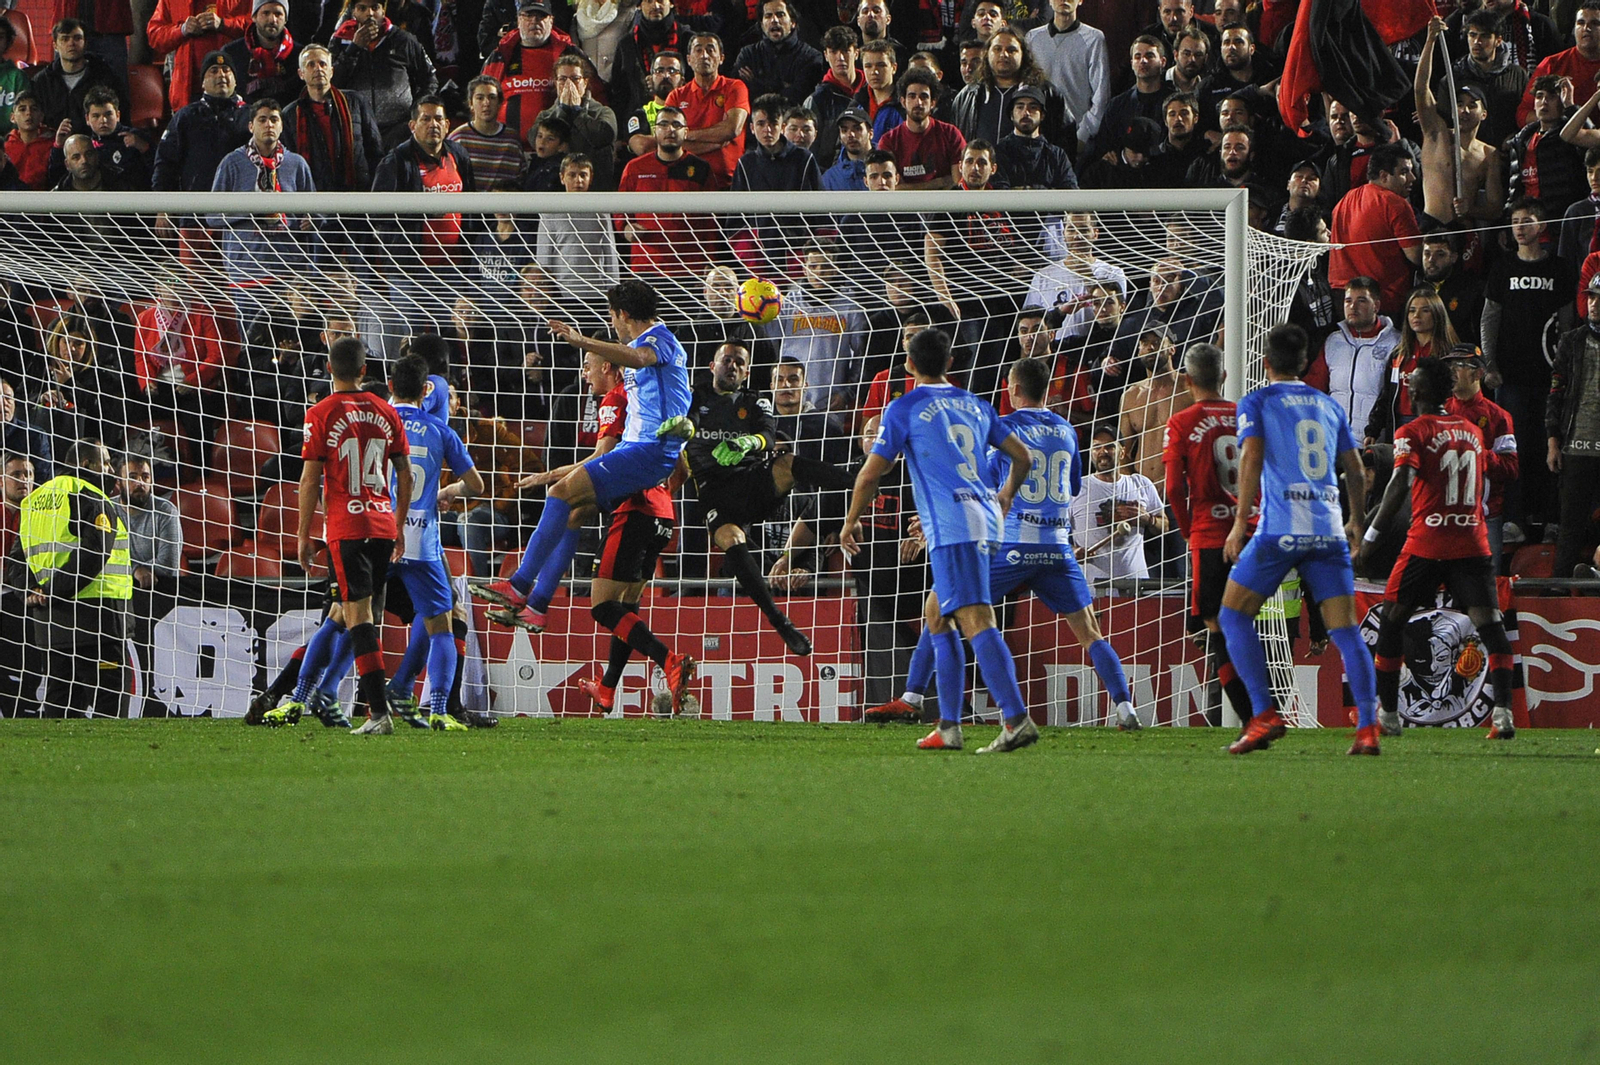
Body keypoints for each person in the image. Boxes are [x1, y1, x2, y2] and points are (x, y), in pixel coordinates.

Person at [862, 356, 1139, 731]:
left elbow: (981, 484)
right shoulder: (1068, 430)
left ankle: (912, 698)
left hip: (1013, 546)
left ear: (1014, 389)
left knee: (940, 604)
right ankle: (1126, 710)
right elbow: (1073, 488)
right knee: (1090, 631)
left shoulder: (1005, 429)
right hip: (1057, 547)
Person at [472, 281, 691, 672]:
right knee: (573, 510)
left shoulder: (657, 341)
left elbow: (640, 358)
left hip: (647, 454)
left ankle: (521, 586)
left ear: (622, 315)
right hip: (642, 454)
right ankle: (537, 605)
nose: (612, 323)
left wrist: (580, 340)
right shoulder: (645, 361)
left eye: (612, 316)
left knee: (560, 492)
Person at [839, 327, 1035, 752]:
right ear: (950, 364)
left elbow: (873, 472)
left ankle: (1016, 718)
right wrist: (1004, 496)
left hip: (953, 527)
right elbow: (1023, 456)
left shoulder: (903, 407)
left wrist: (851, 520)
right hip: (984, 519)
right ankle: (948, 726)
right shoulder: (977, 404)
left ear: (908, 364)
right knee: (936, 613)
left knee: (977, 619)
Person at [1218, 323, 1380, 756]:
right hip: (1328, 529)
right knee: (1346, 631)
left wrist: (1238, 523)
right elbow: (1357, 468)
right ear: (1307, 363)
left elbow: (1251, 454)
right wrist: (1356, 523)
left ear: (1265, 362)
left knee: (1233, 617)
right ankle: (1367, 728)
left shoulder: (1257, 400)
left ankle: (1264, 713)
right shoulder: (1328, 405)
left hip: (1279, 530)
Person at [525, 352, 693, 716]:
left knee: (602, 607)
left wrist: (552, 477)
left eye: (587, 367)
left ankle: (670, 660)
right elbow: (682, 472)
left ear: (609, 368)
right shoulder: (653, 410)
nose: (584, 375)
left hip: (634, 512)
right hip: (664, 516)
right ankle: (607, 687)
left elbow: (603, 458)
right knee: (626, 608)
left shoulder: (617, 400)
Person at [1359, 357, 1518, 740]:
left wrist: (1368, 540)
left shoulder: (1413, 431)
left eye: (1413, 380)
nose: (1408, 384)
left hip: (1427, 543)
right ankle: (1502, 714)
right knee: (1490, 625)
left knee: (1392, 621)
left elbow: (1398, 485)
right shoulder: (1471, 432)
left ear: (1421, 390)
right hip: (1472, 541)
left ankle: (1390, 716)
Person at [265, 337, 412, 733]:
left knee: (356, 616)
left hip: (346, 528)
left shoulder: (320, 412)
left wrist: (301, 534)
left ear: (329, 370)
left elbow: (310, 477)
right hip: (382, 525)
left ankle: (377, 714)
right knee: (354, 616)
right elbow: (405, 473)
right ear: (365, 371)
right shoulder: (387, 410)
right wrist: (397, 525)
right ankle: (306, 696)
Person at [676, 341, 858, 655]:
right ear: (712, 365)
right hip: (712, 493)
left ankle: (860, 482)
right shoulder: (693, 398)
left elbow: (768, 437)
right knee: (731, 538)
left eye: (739, 362)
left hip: (751, 483)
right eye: (726, 359)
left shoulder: (755, 401)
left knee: (786, 464)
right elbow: (681, 422)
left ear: (747, 372)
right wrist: (678, 427)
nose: (732, 365)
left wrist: (746, 442)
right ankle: (780, 622)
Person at [377, 355, 484, 729]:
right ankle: (438, 709)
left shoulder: (377, 423)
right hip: (420, 540)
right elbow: (477, 486)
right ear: (428, 390)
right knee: (443, 621)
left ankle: (312, 694)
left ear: (390, 386)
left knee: (347, 619)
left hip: (376, 534)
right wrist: (448, 489)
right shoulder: (440, 431)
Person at [1162, 342, 1254, 726]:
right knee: (1243, 624)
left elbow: (1171, 488)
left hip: (1209, 534)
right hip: (1249, 532)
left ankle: (1254, 717)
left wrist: (1187, 530)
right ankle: (1260, 711)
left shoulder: (1182, 422)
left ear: (1186, 380)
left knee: (1216, 625)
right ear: (1225, 376)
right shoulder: (1244, 415)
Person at [15, 438, 132, 718]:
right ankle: (108, 761)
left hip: (52, 623)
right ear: (85, 464)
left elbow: (17, 558)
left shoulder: (32, 501)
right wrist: (53, 590)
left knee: (61, 697)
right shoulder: (89, 494)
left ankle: (56, 759)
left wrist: (31, 590)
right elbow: (96, 551)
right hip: (98, 621)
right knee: (110, 697)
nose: (110, 470)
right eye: (104, 462)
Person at [1482, 197, 1574, 542]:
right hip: (1511, 377)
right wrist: (1489, 363)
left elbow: (1567, 325)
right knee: (1514, 447)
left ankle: (1551, 518)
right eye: (1515, 221)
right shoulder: (1503, 267)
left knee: (1551, 446)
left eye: (1526, 220)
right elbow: (1490, 318)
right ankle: (1515, 519)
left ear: (1542, 227)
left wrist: (1566, 371)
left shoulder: (1560, 269)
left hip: (1551, 377)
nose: (1519, 227)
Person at [1415, 20, 1502, 228]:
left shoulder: (1489, 155)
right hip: (1432, 224)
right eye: (1460, 104)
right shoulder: (1436, 134)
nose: (1464, 110)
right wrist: (1430, 40)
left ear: (1483, 114)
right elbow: (1420, 89)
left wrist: (1470, 210)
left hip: (1463, 229)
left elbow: (1495, 208)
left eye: (1472, 105)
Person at [1442, 343, 1517, 573]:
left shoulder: (1499, 417)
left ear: (1478, 373)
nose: (1453, 372)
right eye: (1450, 366)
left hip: (1484, 517)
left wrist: (1478, 454)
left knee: (1487, 588)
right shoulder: (1438, 412)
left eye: (1460, 366)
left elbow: (1511, 469)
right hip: (1442, 518)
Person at [1327, 143, 1421, 319]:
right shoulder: (1396, 204)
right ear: (1384, 176)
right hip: (1382, 303)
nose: (1412, 178)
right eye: (1404, 172)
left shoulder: (1344, 201)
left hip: (1343, 301)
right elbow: (1416, 256)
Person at [1546, 274, 1600, 579]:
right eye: (1591, 297)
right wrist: (1553, 441)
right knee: (1569, 526)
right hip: (1576, 445)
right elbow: (1555, 393)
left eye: (1599, 298)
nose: (1593, 304)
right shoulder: (1572, 340)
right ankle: (1557, 592)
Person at [117, 454, 180, 716]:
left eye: (145, 477)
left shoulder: (165, 510)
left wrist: (138, 568)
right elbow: (101, 558)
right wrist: (135, 569)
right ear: (118, 481)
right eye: (132, 477)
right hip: (118, 605)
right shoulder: (106, 510)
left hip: (158, 605)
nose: (140, 483)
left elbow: (170, 562)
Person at [331, 0, 438, 150]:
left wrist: (416, 111)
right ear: (354, 12)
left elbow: (430, 78)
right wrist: (354, 48)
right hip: (357, 128)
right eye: (362, 8)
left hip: (398, 128)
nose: (369, 13)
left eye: (375, 7)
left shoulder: (404, 40)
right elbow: (333, 82)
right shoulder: (340, 40)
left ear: (383, 10)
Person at [280, 44, 383, 193]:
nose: (318, 69)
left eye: (323, 64)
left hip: (357, 195)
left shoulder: (356, 102)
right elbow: (288, 163)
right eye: (311, 64)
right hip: (313, 199)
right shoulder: (290, 114)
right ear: (301, 73)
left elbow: (375, 150)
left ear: (331, 71)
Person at [1363, 286, 1460, 445]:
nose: (1417, 315)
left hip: (1435, 424)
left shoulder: (1449, 354)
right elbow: (1387, 394)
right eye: (1412, 310)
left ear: (1437, 314)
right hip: (1400, 422)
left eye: (1425, 310)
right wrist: (1373, 429)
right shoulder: (1399, 354)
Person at [150, 50, 249, 196]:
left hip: (242, 207)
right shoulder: (186, 116)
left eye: (226, 70)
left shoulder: (251, 115)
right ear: (202, 82)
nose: (221, 75)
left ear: (235, 80)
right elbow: (165, 163)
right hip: (195, 208)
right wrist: (162, 207)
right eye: (213, 71)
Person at [665, 32, 748, 188]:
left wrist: (689, 135)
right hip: (686, 184)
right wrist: (716, 142)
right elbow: (671, 141)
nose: (704, 55)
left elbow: (732, 129)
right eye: (698, 50)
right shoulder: (676, 96)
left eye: (710, 50)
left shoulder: (735, 87)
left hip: (729, 185)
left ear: (721, 58)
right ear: (689, 59)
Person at [1026, 0, 1109, 152]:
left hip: (1076, 134)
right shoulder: (1033, 38)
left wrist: (1082, 135)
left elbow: (1101, 96)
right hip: (1038, 134)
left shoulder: (1094, 38)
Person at [1506, 75, 1588, 220]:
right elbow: (1515, 189)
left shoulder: (1570, 135)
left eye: (1551, 97)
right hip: (1529, 224)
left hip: (1560, 221)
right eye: (1539, 96)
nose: (1544, 102)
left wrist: (1570, 106)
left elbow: (1591, 147)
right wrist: (1507, 221)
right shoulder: (1521, 140)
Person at [533, 54, 617, 189]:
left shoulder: (602, 112)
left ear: (585, 82)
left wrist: (578, 112)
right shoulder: (546, 115)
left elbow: (605, 136)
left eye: (575, 79)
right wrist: (563, 111)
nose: (568, 84)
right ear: (555, 82)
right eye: (562, 79)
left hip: (595, 193)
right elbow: (536, 142)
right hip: (553, 192)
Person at [32, 18, 128, 134]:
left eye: (77, 38)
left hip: (96, 145)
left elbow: (122, 114)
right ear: (55, 45)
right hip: (52, 144)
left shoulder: (105, 76)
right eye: (65, 39)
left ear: (85, 43)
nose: (71, 43)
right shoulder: (42, 81)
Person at [147, 0, 247, 112]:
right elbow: (154, 35)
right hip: (188, 91)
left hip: (232, 89)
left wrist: (224, 24)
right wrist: (182, 30)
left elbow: (259, 26)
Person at [878, 68, 964, 187]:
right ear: (903, 102)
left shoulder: (951, 134)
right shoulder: (888, 141)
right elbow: (891, 189)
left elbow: (958, 185)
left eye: (924, 96)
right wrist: (940, 182)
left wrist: (911, 188)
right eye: (912, 96)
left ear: (933, 103)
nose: (918, 102)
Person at [0, 454, 39, 717]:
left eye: (29, 475)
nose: (24, 481)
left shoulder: (41, 516)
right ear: (2, 480)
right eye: (17, 475)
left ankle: (26, 708)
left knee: (31, 662)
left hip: (29, 599)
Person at [734, 0, 825, 104]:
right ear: (762, 24)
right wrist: (782, 86)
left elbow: (799, 98)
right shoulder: (747, 54)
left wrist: (756, 84)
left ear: (793, 23)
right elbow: (740, 95)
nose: (774, 20)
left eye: (780, 15)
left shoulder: (811, 57)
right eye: (768, 16)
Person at [446, 74, 526, 189]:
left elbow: (520, 179)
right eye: (480, 98)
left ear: (500, 103)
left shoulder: (511, 139)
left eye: (492, 97)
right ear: (470, 103)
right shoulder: (458, 138)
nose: (486, 103)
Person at [995, 85, 1078, 188]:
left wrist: (1027, 190)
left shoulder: (1057, 156)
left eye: (1033, 107)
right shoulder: (999, 151)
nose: (1026, 112)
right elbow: (999, 193)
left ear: (1042, 115)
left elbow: (1071, 194)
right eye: (1020, 107)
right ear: (1012, 115)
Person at [221, 0, 300, 105]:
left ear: (286, 19)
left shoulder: (300, 55)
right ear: (254, 17)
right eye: (266, 13)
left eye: (278, 14)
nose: (272, 20)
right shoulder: (231, 53)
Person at [621, 49, 685, 159]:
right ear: (651, 79)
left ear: (682, 81)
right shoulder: (641, 114)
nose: (666, 76)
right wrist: (693, 143)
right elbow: (643, 147)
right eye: (659, 70)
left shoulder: (691, 109)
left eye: (672, 71)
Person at [821, 106, 872, 189]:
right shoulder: (830, 178)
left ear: (870, 133)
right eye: (844, 130)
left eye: (857, 129)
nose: (850, 135)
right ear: (840, 137)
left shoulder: (887, 168)